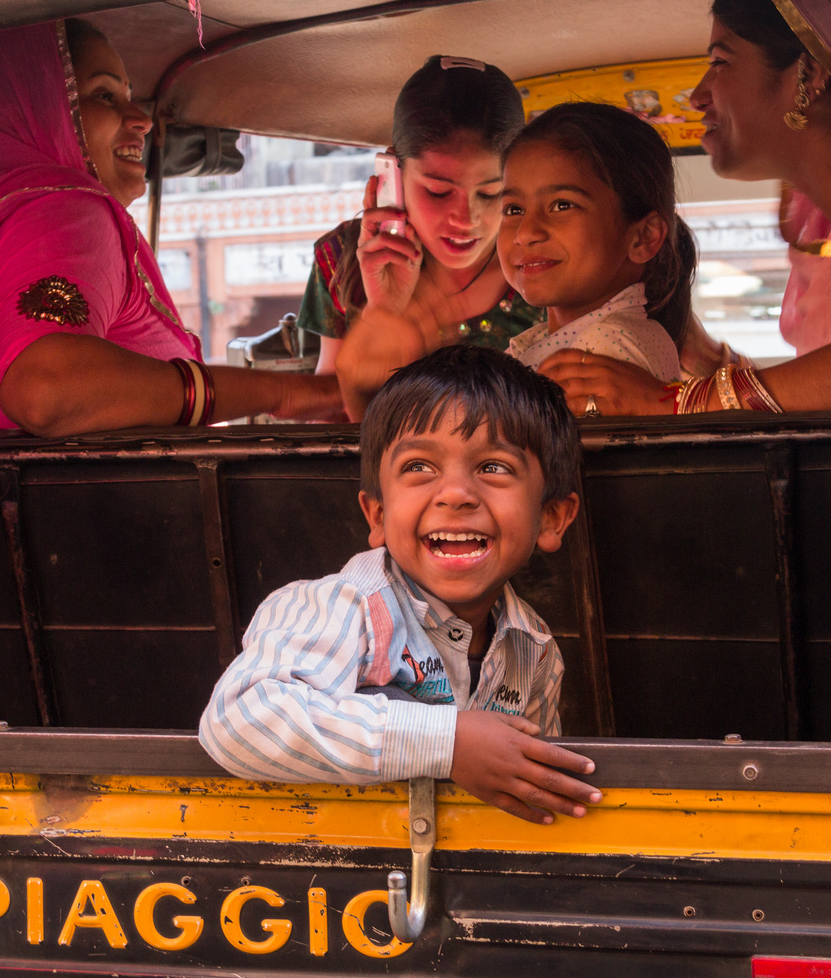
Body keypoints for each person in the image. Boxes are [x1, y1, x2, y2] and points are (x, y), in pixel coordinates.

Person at [0, 19, 340, 434]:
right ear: (35, 111)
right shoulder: (66, 210)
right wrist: (285, 393)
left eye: (128, 95)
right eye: (102, 96)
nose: (139, 118)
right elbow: (44, 389)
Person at [199, 346, 602, 825]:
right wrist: (445, 743)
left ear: (552, 518)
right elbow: (240, 720)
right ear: (379, 515)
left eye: (493, 467)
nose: (455, 494)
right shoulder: (342, 606)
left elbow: (537, 790)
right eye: (419, 467)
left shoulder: (533, 650)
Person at [537, 0, 831, 416]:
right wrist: (710, 363)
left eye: (720, 62)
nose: (699, 96)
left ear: (808, 73)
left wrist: (675, 402)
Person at [298, 55, 542, 375]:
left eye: (490, 193)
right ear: (392, 174)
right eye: (438, 192)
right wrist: (381, 313)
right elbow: (330, 415)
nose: (467, 219)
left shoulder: (544, 261)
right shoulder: (343, 256)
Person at [499, 102, 697, 407]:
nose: (525, 233)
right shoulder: (552, 342)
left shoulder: (603, 347)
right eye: (514, 209)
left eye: (562, 205)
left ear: (643, 237)